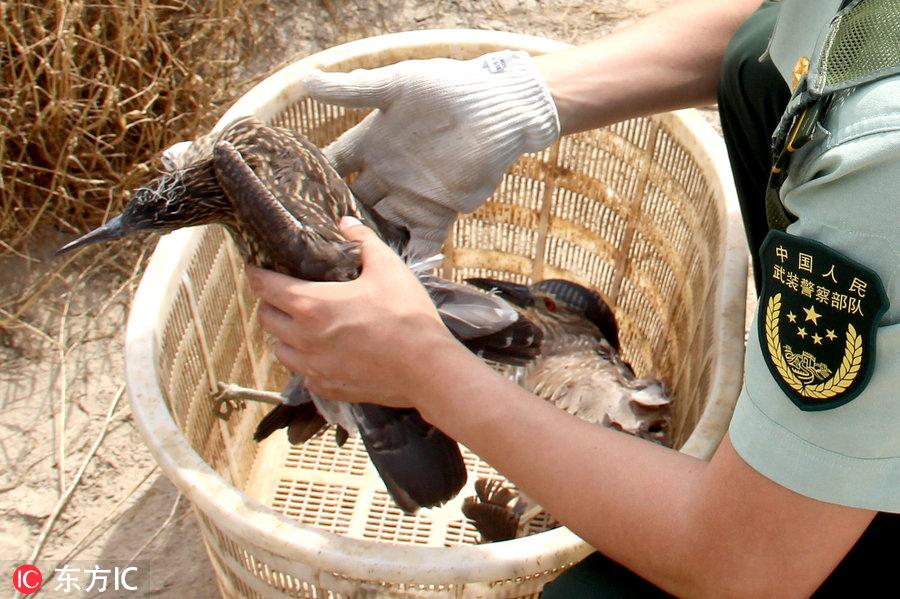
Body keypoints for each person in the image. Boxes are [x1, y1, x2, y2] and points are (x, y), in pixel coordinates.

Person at [247, 0, 900, 595]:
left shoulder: (883, 164)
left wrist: (424, 371)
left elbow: (747, 563)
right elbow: (794, 22)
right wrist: (525, 98)